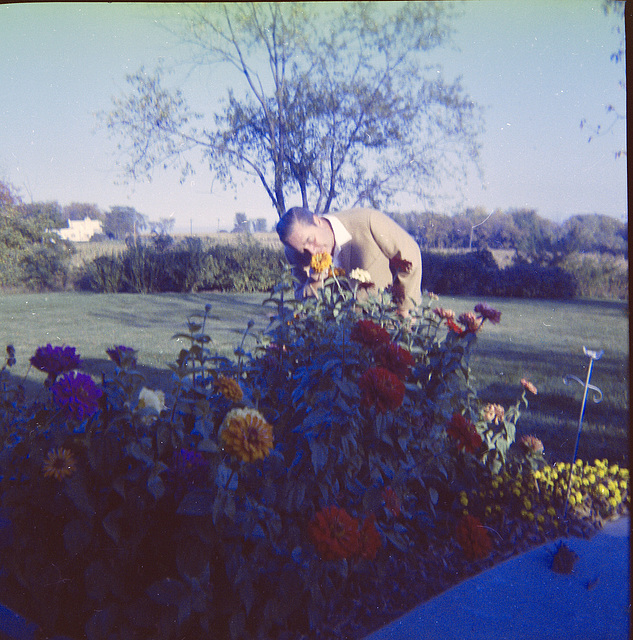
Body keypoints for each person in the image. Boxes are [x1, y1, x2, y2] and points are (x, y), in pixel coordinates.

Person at [276, 206, 422, 315]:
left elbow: (410, 256)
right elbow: (301, 304)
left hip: (384, 322)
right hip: (336, 339)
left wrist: (404, 308)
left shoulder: (368, 221)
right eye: (303, 249)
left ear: (317, 220)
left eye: (311, 240)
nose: (312, 252)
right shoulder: (294, 253)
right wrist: (314, 281)